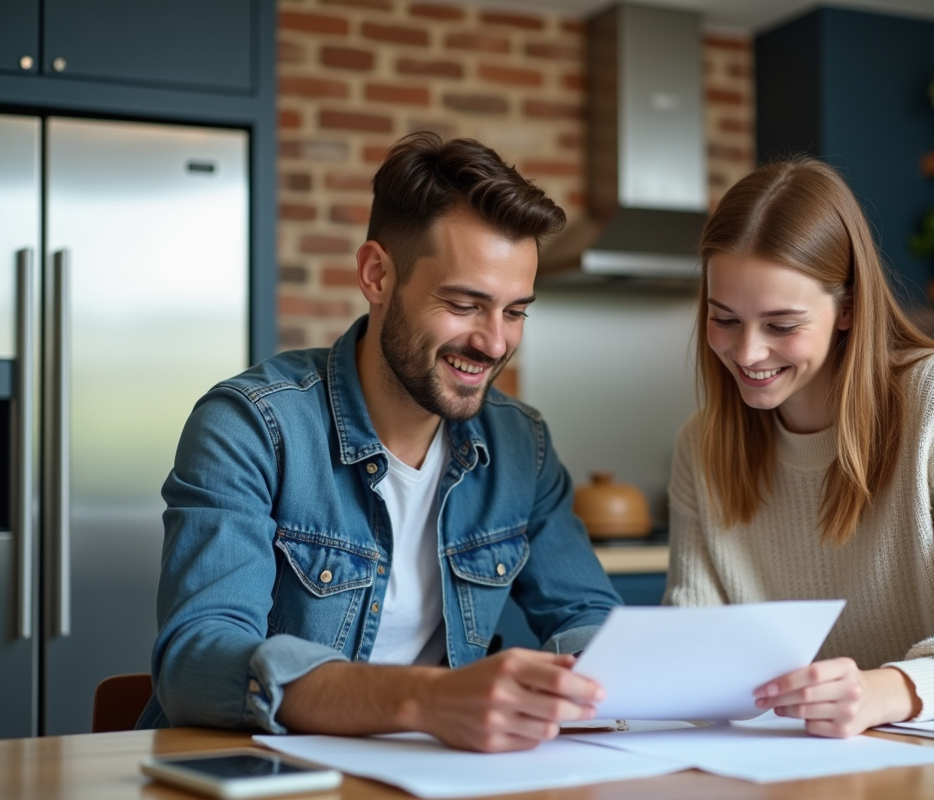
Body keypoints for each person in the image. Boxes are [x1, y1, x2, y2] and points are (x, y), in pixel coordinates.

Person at [138, 132, 623, 752]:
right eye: (465, 303)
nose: (495, 342)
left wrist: (598, 676)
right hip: (266, 777)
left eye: (515, 311)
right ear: (376, 275)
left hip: (434, 776)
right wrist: (424, 699)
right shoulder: (252, 425)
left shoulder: (519, 444)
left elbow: (589, 620)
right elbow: (197, 659)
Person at [665, 158, 934, 738]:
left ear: (846, 308)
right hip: (849, 748)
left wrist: (884, 690)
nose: (747, 353)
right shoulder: (703, 444)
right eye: (725, 319)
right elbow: (696, 644)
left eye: (782, 325)